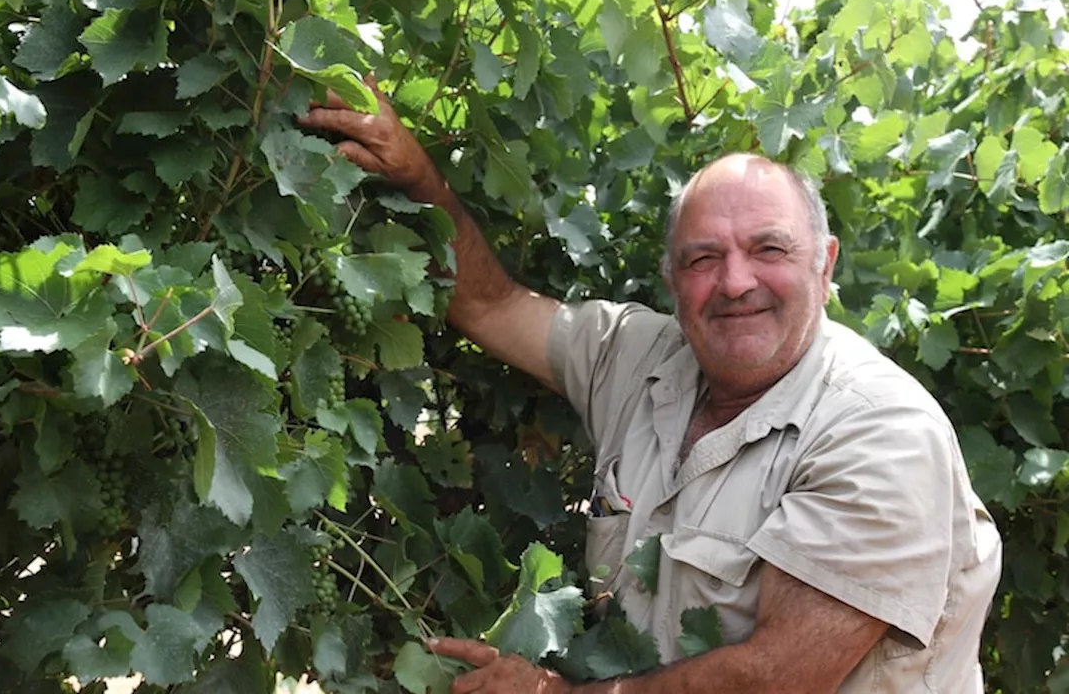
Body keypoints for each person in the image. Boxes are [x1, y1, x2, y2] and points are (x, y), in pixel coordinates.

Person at [299, 79, 1003, 693]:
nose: (734, 282)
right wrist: (421, 180)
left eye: (769, 249)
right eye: (703, 259)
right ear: (672, 280)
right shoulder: (638, 355)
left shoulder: (880, 433)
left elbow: (777, 681)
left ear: (825, 265)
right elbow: (491, 305)